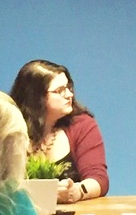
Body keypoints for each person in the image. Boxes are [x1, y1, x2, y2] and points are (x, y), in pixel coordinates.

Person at [8, 59, 107, 204]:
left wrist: (78, 191)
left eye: (68, 87)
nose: (69, 95)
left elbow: (99, 179)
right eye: (60, 91)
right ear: (36, 97)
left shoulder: (82, 125)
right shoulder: (10, 129)